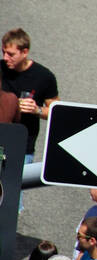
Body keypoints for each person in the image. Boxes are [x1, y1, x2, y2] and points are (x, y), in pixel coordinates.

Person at [0, 27, 58, 162]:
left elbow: (56, 112)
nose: (5, 58)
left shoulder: (44, 77)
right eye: (3, 52)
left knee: (15, 183)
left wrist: (36, 109)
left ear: (24, 52)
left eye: (10, 54)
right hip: (1, 141)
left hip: (22, 149)